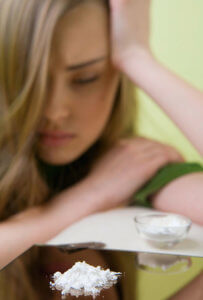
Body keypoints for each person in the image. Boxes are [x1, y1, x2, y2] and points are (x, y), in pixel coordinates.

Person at [0, 0, 202, 299]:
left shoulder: (133, 166)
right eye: (31, 80)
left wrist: (138, 58)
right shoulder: (114, 178)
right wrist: (90, 196)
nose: (54, 111)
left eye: (85, 79)